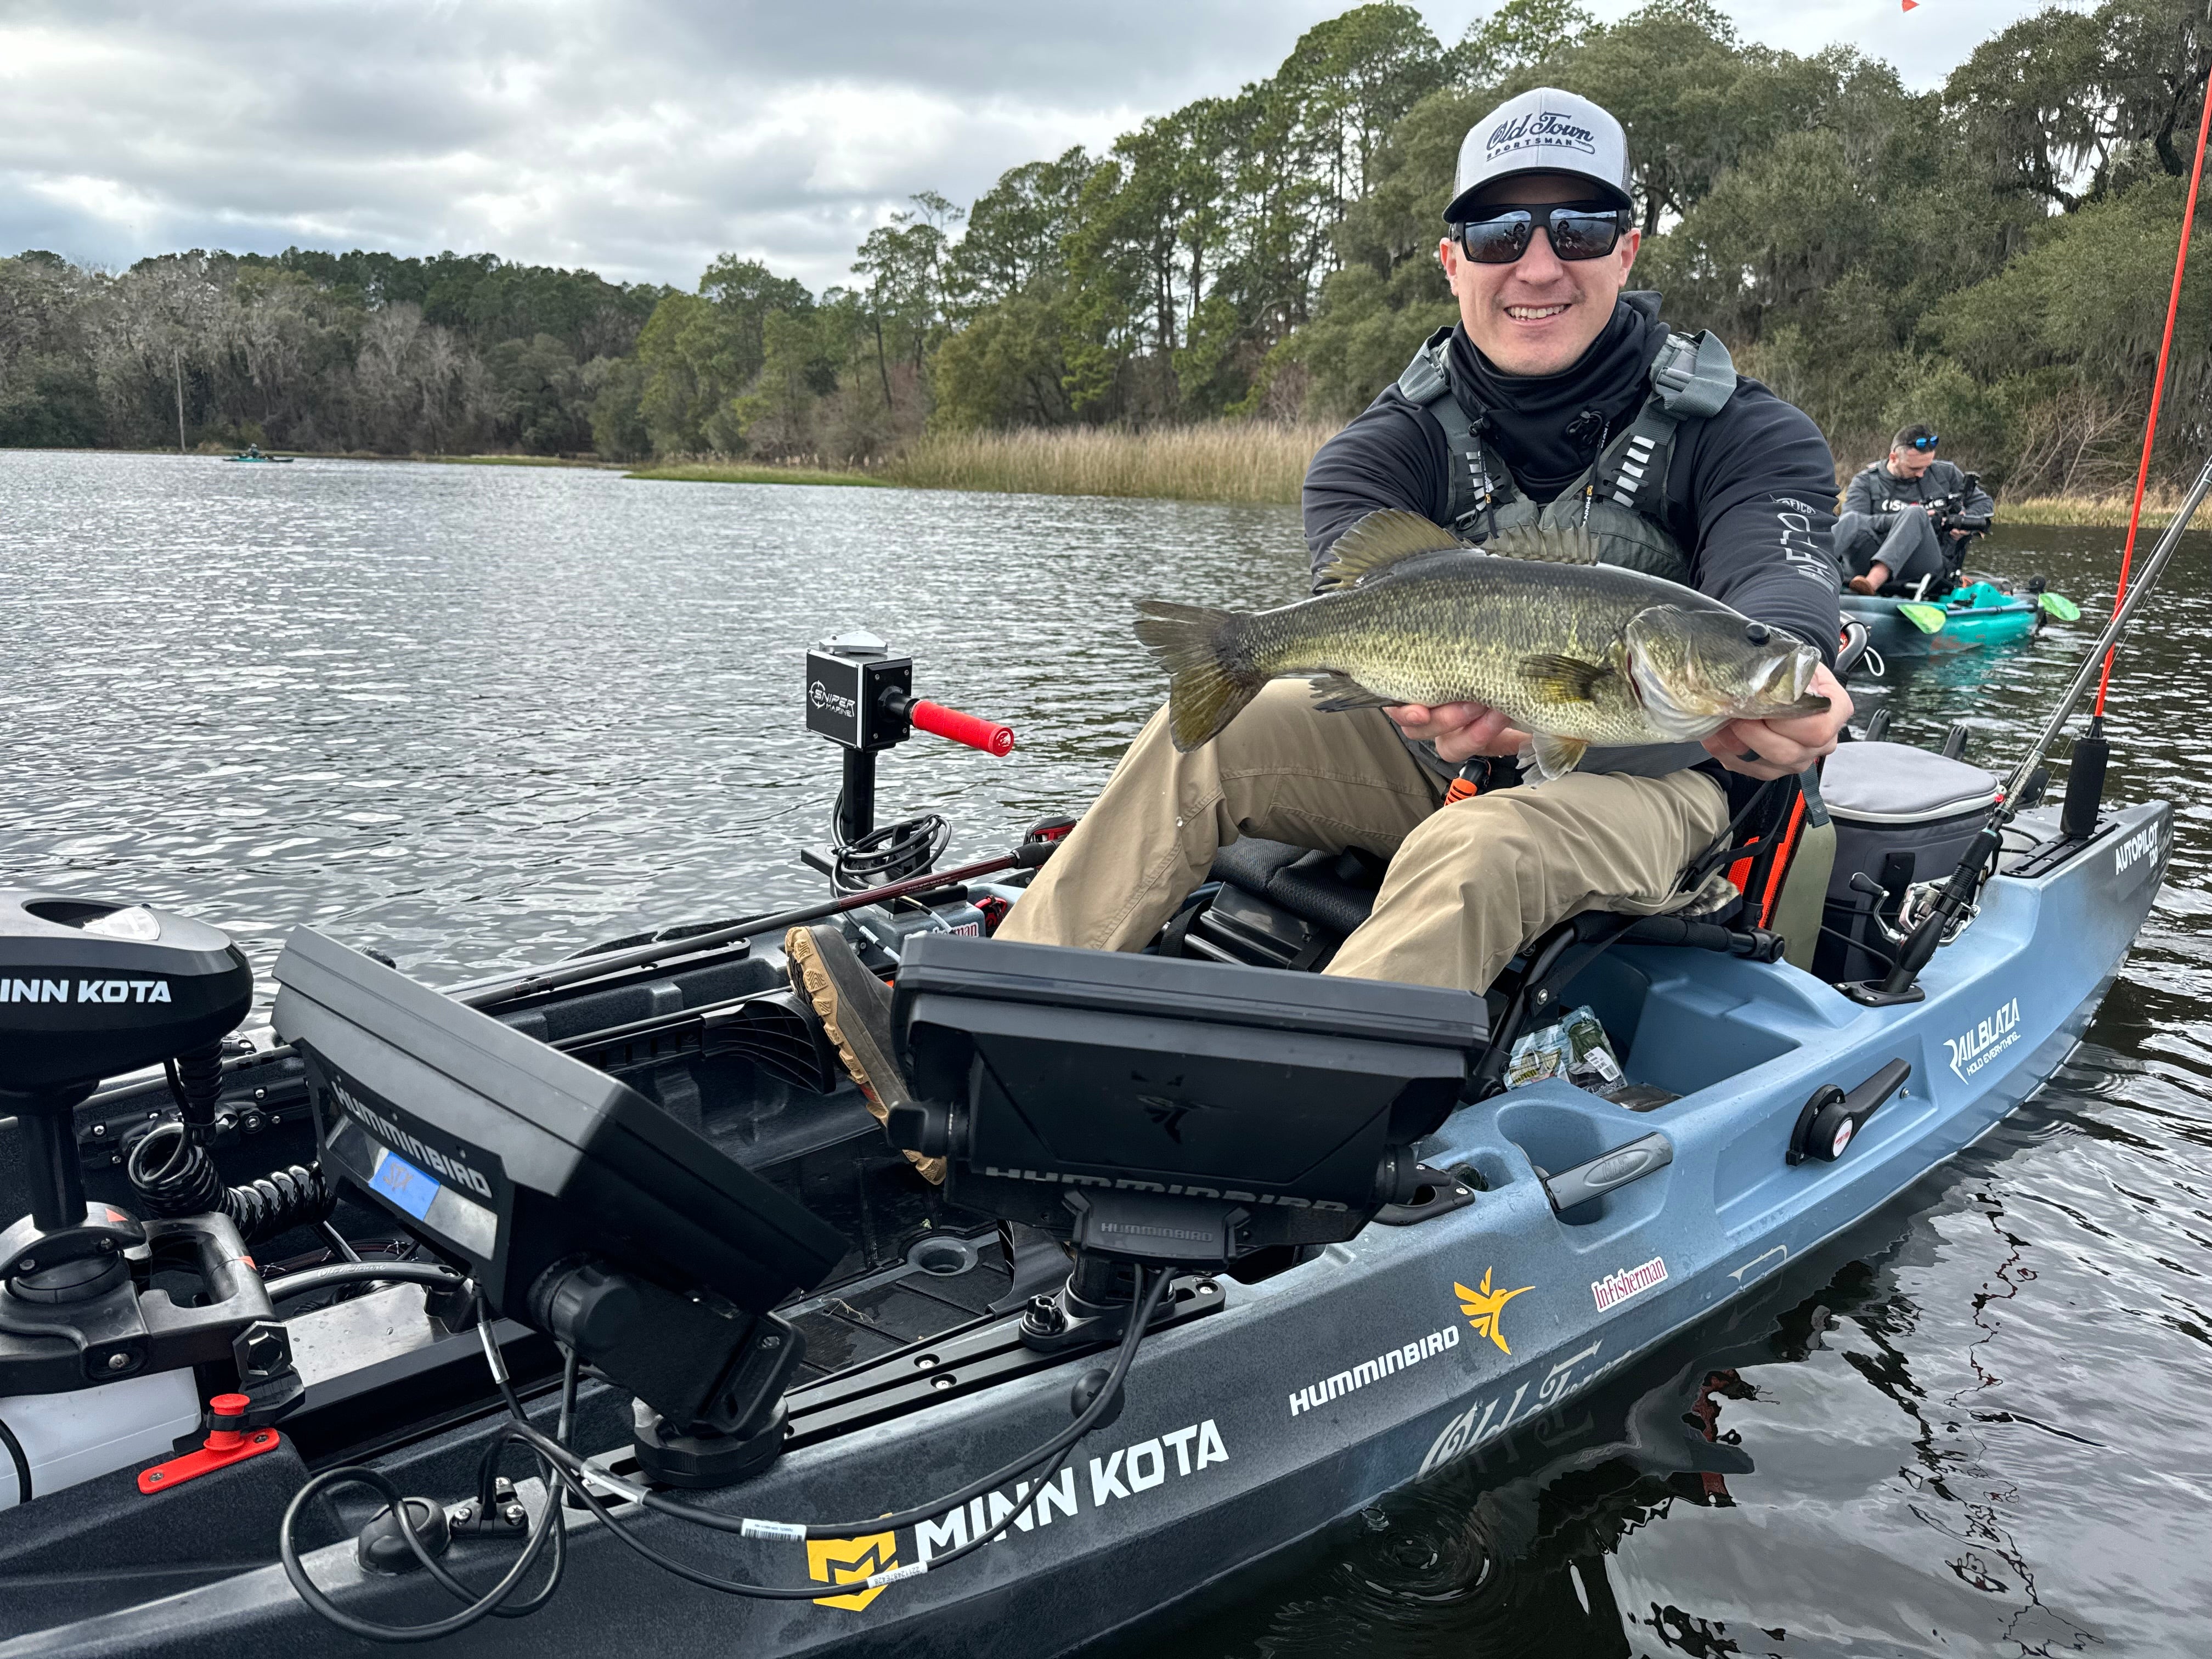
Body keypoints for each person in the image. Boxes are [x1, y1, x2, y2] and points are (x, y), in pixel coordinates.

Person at [790, 88, 1852, 1133]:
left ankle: (1279, 1144)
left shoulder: (1748, 434)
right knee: (1209, 731)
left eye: (1577, 225)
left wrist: (1787, 678)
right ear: (1453, 260)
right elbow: (1360, 624)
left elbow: (1775, 588)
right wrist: (1424, 709)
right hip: (1446, 751)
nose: (1537, 263)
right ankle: (975, 1057)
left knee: (1479, 843)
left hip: (1662, 782)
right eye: (1496, 229)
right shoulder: (1382, 447)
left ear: (1625, 251)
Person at [1835, 426, 1995, 596]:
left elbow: (1984, 503)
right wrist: (1899, 519)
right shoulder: (1865, 481)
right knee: (1850, 519)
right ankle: (1810, 572)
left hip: (1925, 564)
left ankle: (1872, 583)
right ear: (1893, 458)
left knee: (1915, 513)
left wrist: (1965, 519)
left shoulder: (1946, 473)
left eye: (1926, 467)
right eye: (1914, 469)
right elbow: (1856, 523)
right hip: (1869, 555)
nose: (1921, 474)